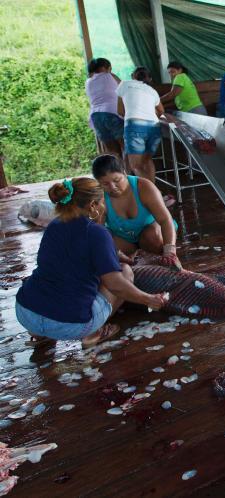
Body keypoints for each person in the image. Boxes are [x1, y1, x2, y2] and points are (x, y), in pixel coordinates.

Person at [14, 178, 168, 348]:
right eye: (103, 201)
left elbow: (69, 252)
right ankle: (93, 333)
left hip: (26, 312)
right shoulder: (97, 232)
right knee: (125, 272)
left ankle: (40, 333)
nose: (105, 206)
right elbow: (115, 285)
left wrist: (111, 254)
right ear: (93, 206)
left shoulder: (55, 225)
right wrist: (148, 299)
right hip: (72, 325)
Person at [92, 154, 181, 269]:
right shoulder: (100, 197)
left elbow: (165, 220)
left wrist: (170, 252)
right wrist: (117, 253)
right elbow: (98, 231)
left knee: (152, 236)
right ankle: (136, 264)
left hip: (153, 234)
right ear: (99, 183)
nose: (113, 187)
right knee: (107, 245)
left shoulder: (144, 187)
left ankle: (160, 259)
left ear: (124, 173)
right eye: (105, 184)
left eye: (117, 180)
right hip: (124, 239)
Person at [116, 67, 165, 188]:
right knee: (147, 161)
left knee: (136, 166)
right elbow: (161, 111)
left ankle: (153, 195)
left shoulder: (125, 84)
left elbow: (120, 111)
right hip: (154, 127)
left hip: (135, 126)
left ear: (133, 76)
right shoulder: (152, 91)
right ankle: (153, 193)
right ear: (149, 79)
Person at [85, 57, 124, 158]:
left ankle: (117, 172)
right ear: (107, 67)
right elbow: (124, 89)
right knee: (126, 147)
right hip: (112, 113)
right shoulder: (110, 76)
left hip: (96, 117)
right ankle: (129, 173)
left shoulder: (88, 82)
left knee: (112, 152)